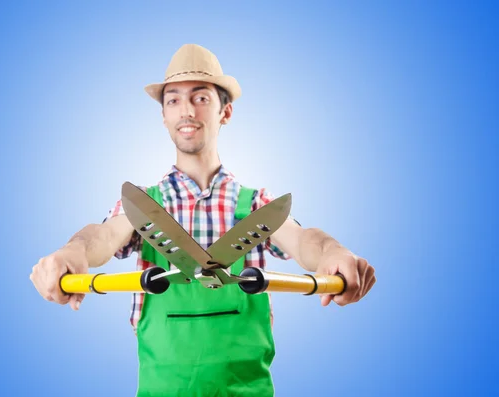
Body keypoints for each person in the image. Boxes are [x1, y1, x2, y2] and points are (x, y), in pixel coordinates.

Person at [30, 44, 376, 397]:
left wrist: (333, 252)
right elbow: (102, 236)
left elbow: (304, 241)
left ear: (225, 112)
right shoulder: (144, 206)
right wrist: (73, 251)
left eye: (201, 98)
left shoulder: (256, 207)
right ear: (163, 115)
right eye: (174, 100)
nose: (186, 111)